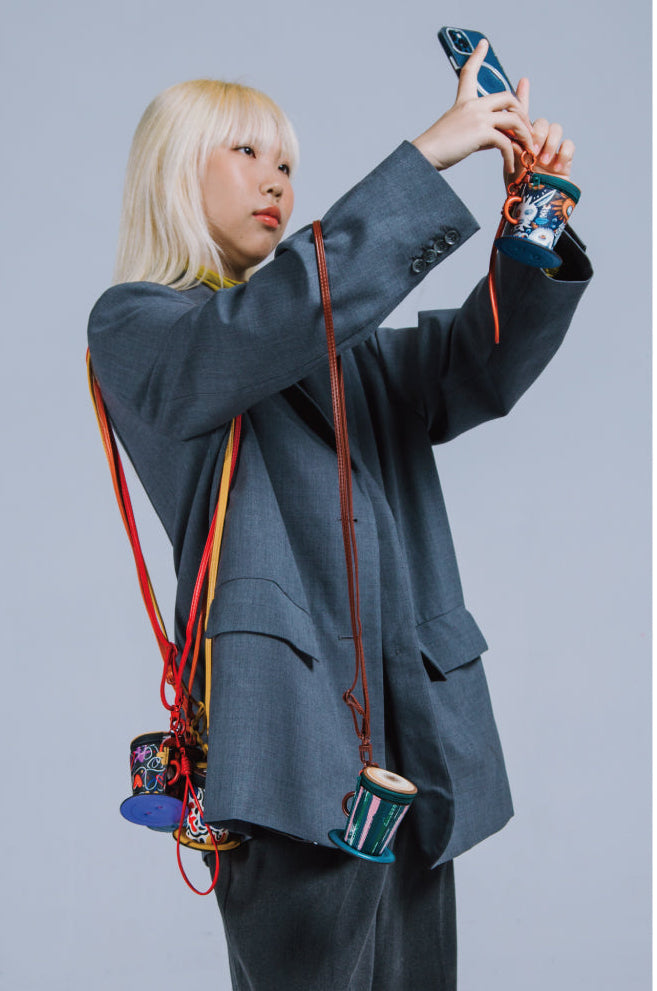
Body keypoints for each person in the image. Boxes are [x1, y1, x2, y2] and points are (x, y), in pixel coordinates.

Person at [88, 39, 592, 991]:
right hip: (284, 737)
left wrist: (532, 221)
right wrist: (426, 160)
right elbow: (262, 327)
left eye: (286, 162)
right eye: (246, 152)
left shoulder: (331, 340)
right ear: (173, 169)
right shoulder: (137, 326)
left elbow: (474, 368)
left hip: (406, 728)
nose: (275, 179)